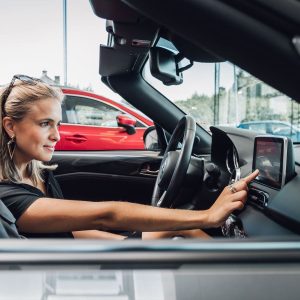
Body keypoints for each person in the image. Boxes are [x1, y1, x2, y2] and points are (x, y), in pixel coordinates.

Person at [0, 75, 259, 239]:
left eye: (57, 123)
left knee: (181, 228)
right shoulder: (6, 196)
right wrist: (208, 216)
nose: (57, 135)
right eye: (45, 124)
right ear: (11, 126)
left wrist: (126, 244)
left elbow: (70, 229)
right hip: (57, 276)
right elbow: (106, 214)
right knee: (186, 227)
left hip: (72, 259)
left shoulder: (39, 172)